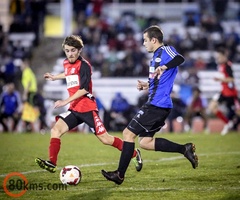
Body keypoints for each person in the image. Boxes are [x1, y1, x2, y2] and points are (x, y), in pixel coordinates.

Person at [101, 25, 198, 185]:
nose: (144, 43)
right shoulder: (155, 58)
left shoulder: (166, 50)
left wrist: (165, 66)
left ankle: (119, 175)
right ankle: (184, 149)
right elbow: (160, 80)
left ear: (154, 40)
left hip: (156, 105)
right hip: (158, 104)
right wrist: (146, 85)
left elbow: (181, 59)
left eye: (145, 40)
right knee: (145, 142)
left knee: (127, 134)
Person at [35, 35, 142, 173]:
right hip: (74, 109)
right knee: (56, 130)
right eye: (67, 51)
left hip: (87, 108)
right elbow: (68, 73)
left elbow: (84, 89)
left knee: (105, 139)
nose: (70, 53)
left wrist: (65, 101)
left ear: (79, 50)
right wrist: (55, 77)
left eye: (73, 50)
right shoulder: (66, 63)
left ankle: (134, 154)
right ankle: (52, 162)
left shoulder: (85, 65)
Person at [208, 47, 239, 135]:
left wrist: (220, 79)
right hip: (223, 92)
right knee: (212, 107)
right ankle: (228, 123)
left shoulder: (227, 66)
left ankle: (231, 125)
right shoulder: (221, 66)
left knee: (238, 112)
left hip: (231, 93)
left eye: (220, 57)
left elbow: (231, 79)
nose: (218, 59)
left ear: (224, 57)